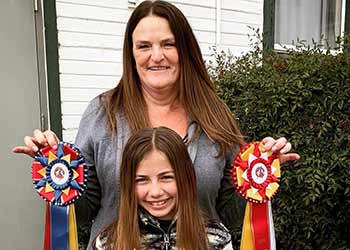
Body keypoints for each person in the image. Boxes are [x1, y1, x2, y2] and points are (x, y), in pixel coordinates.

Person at [13, 1, 300, 249]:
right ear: (132, 53)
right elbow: (85, 210)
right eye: (144, 46)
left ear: (184, 49)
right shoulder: (103, 113)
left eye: (168, 44)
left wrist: (262, 173)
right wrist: (55, 170)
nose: (156, 56)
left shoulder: (214, 115)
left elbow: (230, 212)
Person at [94, 126, 233, 250]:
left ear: (186, 177)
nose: (155, 192)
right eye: (142, 180)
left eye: (166, 177)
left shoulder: (216, 239)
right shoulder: (109, 243)